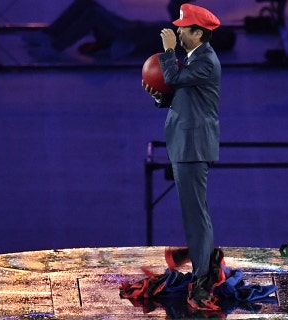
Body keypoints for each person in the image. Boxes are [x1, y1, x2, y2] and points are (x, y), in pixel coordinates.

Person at [142, 3, 222, 311]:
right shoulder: (193, 59)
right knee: (193, 212)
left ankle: (203, 278)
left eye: (183, 29)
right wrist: (159, 95)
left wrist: (167, 52)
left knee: (195, 214)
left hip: (193, 146)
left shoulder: (206, 62)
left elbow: (175, 78)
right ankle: (205, 260)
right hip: (184, 143)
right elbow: (179, 93)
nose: (177, 32)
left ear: (198, 33)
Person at [22, 0, 235, 61]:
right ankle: (48, 35)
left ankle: (55, 46)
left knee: (92, 15)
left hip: (131, 37)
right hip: (132, 28)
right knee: (86, 4)